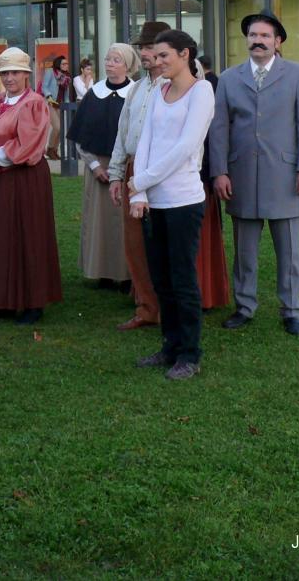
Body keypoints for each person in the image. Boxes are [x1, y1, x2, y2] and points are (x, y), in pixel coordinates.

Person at [208, 10, 299, 336]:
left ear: (278, 41)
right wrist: (219, 172)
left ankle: (291, 310)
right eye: (253, 35)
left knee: (289, 253)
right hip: (240, 177)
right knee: (244, 252)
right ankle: (244, 306)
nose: (258, 41)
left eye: (265, 36)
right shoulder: (229, 78)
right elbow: (219, 129)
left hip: (285, 177)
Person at [129, 30, 216, 380]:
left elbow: (185, 147)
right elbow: (146, 139)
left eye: (165, 55)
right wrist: (140, 193)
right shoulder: (159, 91)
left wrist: (142, 180)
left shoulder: (202, 91)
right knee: (161, 279)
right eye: (156, 55)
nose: (158, 61)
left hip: (183, 200)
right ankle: (170, 346)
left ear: (185, 54)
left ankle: (190, 353)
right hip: (155, 201)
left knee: (182, 280)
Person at [0, 48, 62, 325]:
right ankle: (3, 299)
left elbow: (26, 143)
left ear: (26, 75)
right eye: (5, 73)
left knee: (29, 236)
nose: (9, 78)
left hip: (25, 177)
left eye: (15, 72)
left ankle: (32, 301)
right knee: (0, 236)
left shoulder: (35, 103)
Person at [107, 21, 170, 330]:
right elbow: (123, 133)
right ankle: (146, 307)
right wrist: (117, 173)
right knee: (135, 243)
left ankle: (169, 307)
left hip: (164, 172)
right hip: (134, 167)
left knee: (165, 241)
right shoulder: (138, 87)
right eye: (142, 48)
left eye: (150, 48)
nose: (144, 53)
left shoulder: (176, 85)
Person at [68, 43, 139, 287]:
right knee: (99, 223)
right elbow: (80, 137)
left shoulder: (136, 93)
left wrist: (122, 167)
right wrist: (95, 166)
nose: (110, 63)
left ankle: (128, 274)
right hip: (97, 167)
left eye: (116, 60)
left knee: (126, 222)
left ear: (128, 65)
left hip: (128, 167)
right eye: (108, 59)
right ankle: (103, 272)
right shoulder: (93, 94)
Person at [194, 58, 231, 312]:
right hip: (175, 181)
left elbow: (214, 136)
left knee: (200, 241)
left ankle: (205, 292)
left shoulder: (206, 97)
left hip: (200, 179)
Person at [39, 55, 71, 159]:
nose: (66, 65)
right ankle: (49, 148)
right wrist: (49, 96)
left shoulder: (66, 76)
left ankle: (54, 150)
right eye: (63, 64)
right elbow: (44, 86)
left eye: (67, 64)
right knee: (57, 127)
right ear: (58, 64)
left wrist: (67, 103)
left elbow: (66, 92)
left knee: (61, 129)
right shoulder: (51, 72)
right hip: (50, 102)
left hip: (60, 104)